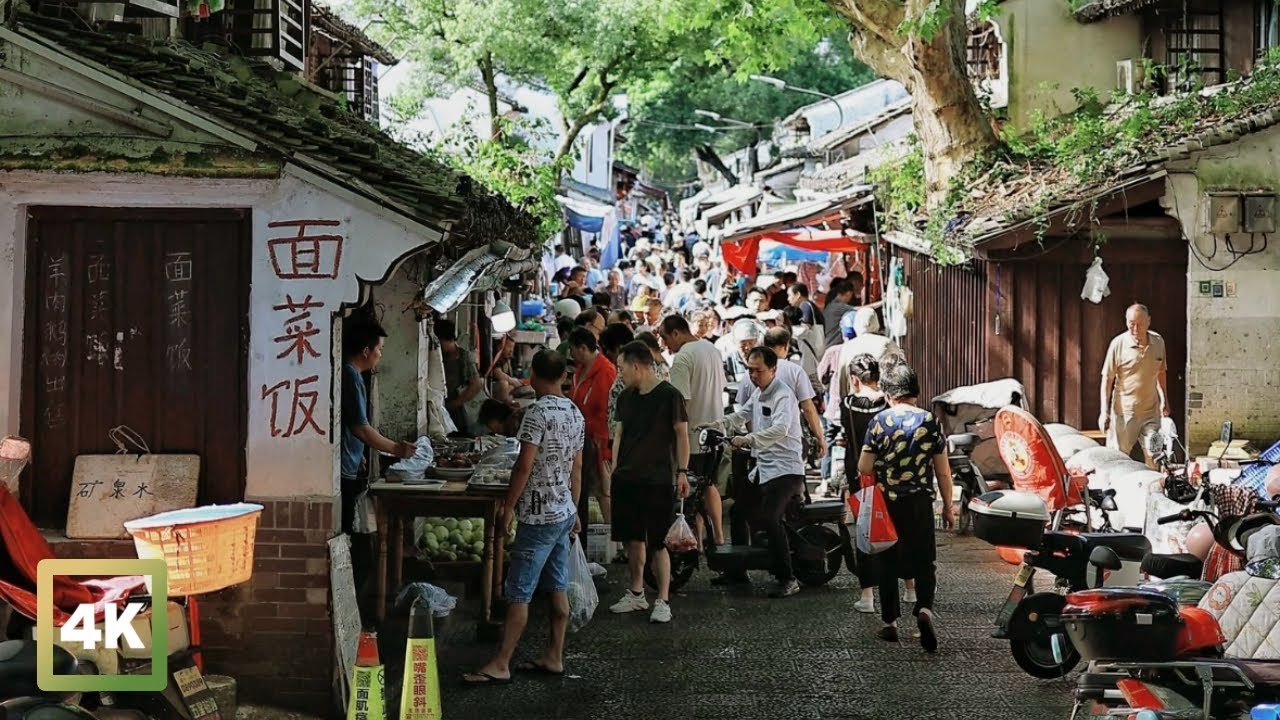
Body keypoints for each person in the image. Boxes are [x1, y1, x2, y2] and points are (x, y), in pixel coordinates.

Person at [462, 350, 585, 685]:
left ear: (533, 376)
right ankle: (554, 655)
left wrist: (508, 507)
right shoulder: (575, 413)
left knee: (519, 590)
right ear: (563, 377)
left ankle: (502, 662)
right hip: (562, 512)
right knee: (557, 585)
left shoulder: (536, 414)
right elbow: (577, 468)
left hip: (538, 514)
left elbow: (524, 465)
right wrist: (574, 508)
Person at [858, 362, 954, 653]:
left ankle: (890, 622)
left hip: (887, 504)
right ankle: (924, 609)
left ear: (888, 394)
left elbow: (864, 465)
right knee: (925, 560)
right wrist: (948, 506)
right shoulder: (929, 421)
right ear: (915, 392)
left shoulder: (879, 421)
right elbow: (943, 471)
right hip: (920, 501)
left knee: (887, 560)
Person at [700, 347, 806, 598]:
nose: (753, 375)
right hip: (763, 466)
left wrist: (748, 439)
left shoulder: (783, 395)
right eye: (750, 370)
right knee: (738, 512)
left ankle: (788, 578)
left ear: (773, 370)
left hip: (786, 469)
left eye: (758, 370)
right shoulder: (759, 393)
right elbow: (742, 414)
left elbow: (780, 429)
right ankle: (737, 572)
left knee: (770, 518)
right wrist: (718, 424)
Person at [608, 341, 691, 623]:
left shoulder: (670, 395)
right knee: (632, 539)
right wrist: (615, 469)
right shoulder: (625, 398)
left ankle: (663, 599)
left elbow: (682, 434)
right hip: (626, 478)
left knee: (658, 542)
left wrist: (682, 471)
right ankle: (636, 592)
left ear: (636, 366)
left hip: (658, 479)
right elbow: (619, 434)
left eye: (621, 368)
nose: (620, 374)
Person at [340, 316, 416, 601]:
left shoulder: (353, 375)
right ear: (366, 351)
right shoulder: (350, 376)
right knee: (352, 540)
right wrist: (397, 449)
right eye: (379, 349)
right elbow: (361, 429)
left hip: (350, 467)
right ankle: (352, 604)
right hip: (344, 472)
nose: (380, 354)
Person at [658, 314, 728, 547]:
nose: (665, 344)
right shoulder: (712, 349)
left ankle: (697, 540)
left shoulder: (683, 357)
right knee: (708, 485)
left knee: (692, 489)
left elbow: (681, 403)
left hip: (693, 436)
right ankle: (716, 535)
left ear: (676, 333)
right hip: (715, 431)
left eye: (665, 337)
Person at [1100, 303, 1170, 461]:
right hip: (1125, 413)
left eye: (1140, 324)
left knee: (1155, 453)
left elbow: (1160, 372)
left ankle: (1154, 477)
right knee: (1120, 457)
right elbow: (1107, 379)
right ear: (1126, 322)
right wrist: (1104, 412)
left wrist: (1164, 399)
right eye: (1131, 324)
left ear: (1149, 321)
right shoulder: (1118, 344)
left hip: (1151, 413)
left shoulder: (1158, 342)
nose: (1136, 329)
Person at [567, 328, 616, 526]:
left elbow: (605, 412)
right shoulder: (581, 369)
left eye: (572, 350)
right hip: (582, 439)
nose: (570, 354)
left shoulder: (605, 371)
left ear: (582, 348)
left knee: (603, 491)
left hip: (598, 442)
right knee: (591, 488)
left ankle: (614, 534)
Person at [437, 319, 484, 434]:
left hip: (459, 413)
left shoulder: (464, 357)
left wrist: (454, 404)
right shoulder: (438, 357)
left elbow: (476, 384)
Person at [822, 276, 859, 347]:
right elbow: (858, 309)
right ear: (848, 293)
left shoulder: (831, 305)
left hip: (828, 344)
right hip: (834, 345)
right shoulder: (838, 306)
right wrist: (880, 303)